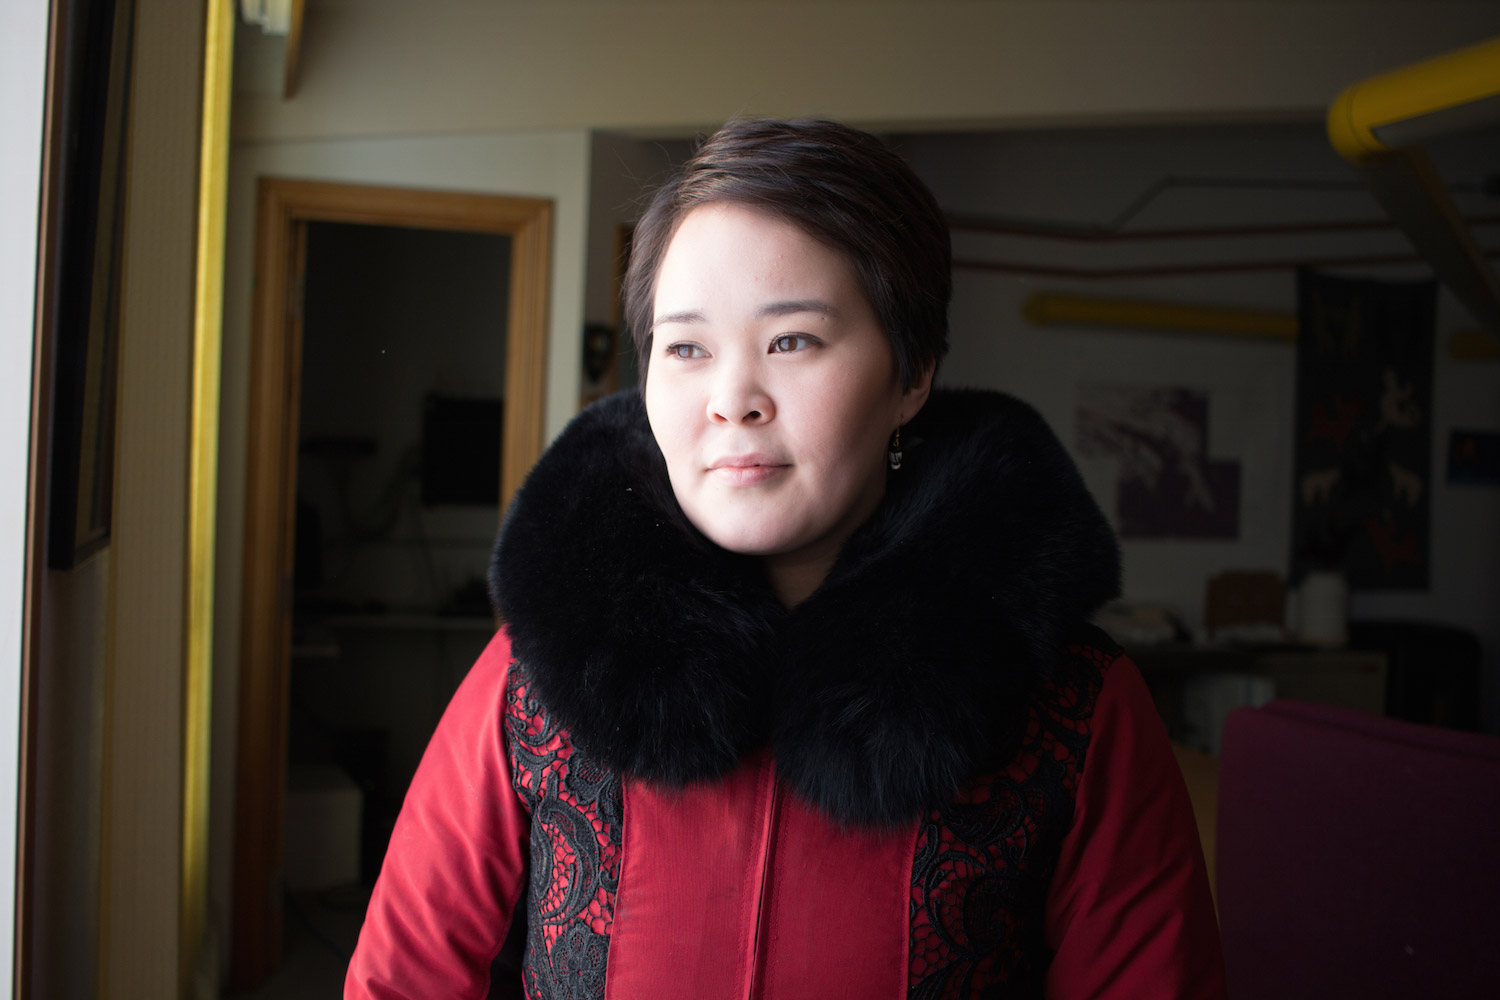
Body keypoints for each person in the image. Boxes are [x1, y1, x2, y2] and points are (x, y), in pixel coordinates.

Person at [345, 119, 1226, 999]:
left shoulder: (1075, 710)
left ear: (912, 371)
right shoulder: (532, 681)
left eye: (792, 340)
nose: (733, 400)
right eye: (685, 347)